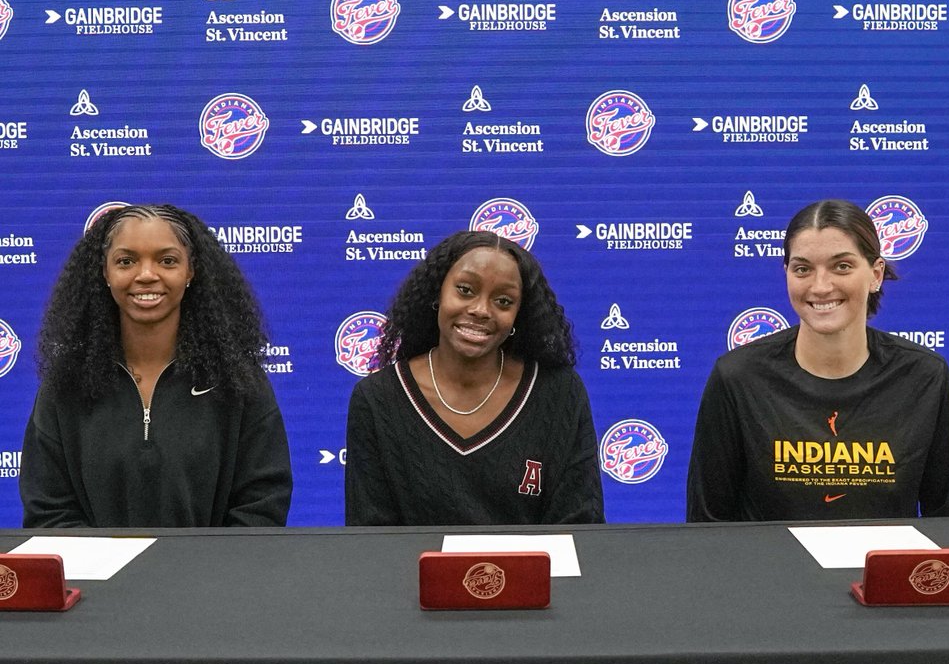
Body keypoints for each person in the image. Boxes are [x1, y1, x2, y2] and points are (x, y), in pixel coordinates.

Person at [20, 204, 292, 528]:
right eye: (126, 261)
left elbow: (261, 506)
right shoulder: (65, 385)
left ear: (190, 271)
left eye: (167, 260)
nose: (146, 275)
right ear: (105, 273)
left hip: (213, 577)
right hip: (97, 580)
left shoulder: (238, 382)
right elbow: (49, 512)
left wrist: (211, 574)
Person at [687, 198, 949, 521]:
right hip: (767, 572)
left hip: (875, 574)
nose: (820, 286)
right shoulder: (737, 378)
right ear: (786, 273)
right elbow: (707, 526)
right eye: (803, 269)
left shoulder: (924, 377)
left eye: (841, 266)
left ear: (875, 274)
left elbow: (948, 523)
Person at [345, 230, 604, 525]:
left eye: (504, 301)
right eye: (465, 290)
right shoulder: (378, 398)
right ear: (437, 294)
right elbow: (369, 537)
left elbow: (581, 526)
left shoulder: (559, 392)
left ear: (519, 315)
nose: (481, 310)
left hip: (536, 573)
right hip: (411, 573)